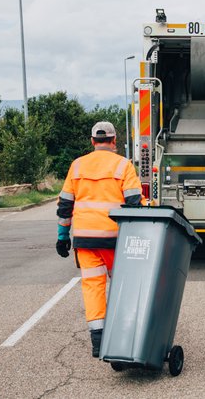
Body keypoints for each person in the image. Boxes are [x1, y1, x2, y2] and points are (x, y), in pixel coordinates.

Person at [56, 121, 146, 358]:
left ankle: (98, 341)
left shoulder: (77, 166)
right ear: (114, 141)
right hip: (117, 239)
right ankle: (126, 336)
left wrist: (62, 236)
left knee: (93, 288)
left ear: (92, 141)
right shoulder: (123, 165)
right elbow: (135, 203)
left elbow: (65, 205)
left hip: (85, 240)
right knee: (123, 287)